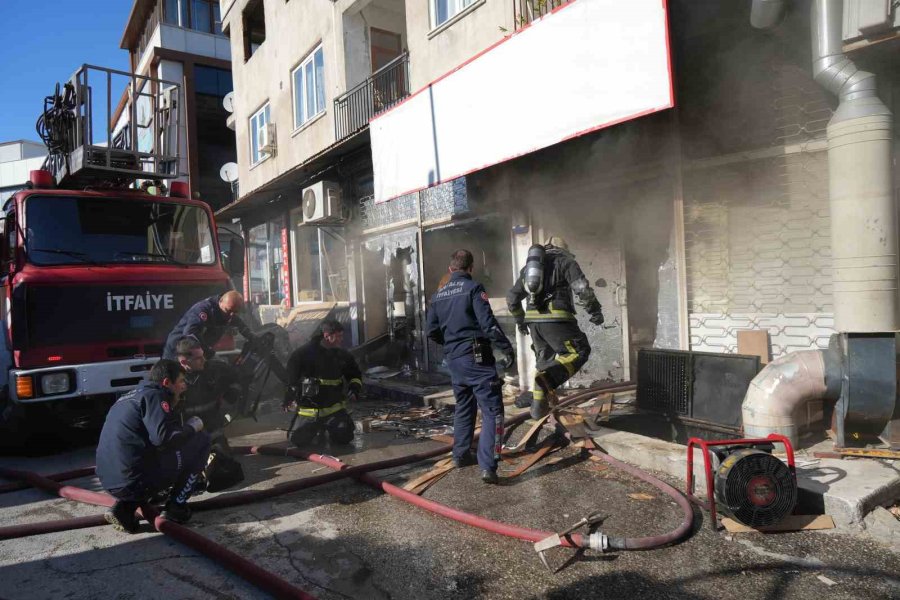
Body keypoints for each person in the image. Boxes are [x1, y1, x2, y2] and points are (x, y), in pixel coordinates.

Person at [426, 249, 515, 484]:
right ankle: (488, 467)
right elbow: (488, 324)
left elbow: (431, 331)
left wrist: (451, 345)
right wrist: (506, 349)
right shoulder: (474, 288)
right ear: (471, 268)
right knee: (492, 411)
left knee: (464, 407)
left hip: (454, 360)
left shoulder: (438, 295)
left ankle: (460, 455)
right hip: (476, 357)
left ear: (450, 269)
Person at [96, 359, 211, 532]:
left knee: (144, 461)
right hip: (134, 481)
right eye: (180, 381)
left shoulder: (128, 397)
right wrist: (192, 427)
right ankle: (176, 506)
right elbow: (165, 439)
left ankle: (124, 509)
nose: (184, 386)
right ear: (166, 382)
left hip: (110, 481)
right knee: (201, 439)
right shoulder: (155, 396)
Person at [507, 236, 604, 419]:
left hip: (534, 324)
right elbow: (581, 288)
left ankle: (538, 410)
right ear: (563, 250)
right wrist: (595, 311)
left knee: (544, 362)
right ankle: (548, 381)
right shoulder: (565, 262)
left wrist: (520, 321)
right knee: (579, 351)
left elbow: (512, 298)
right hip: (558, 320)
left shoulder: (528, 270)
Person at [283, 319, 363, 447]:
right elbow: (291, 379)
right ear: (327, 336)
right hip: (310, 411)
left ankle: (331, 428)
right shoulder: (303, 354)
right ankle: (314, 429)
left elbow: (355, 375)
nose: (341, 340)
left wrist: (354, 388)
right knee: (298, 440)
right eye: (339, 336)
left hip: (334, 410)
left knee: (344, 436)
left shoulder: (343, 355)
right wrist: (289, 396)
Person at [163, 291, 255, 360]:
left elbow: (240, 324)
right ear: (220, 301)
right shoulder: (203, 309)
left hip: (197, 352)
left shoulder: (228, 311)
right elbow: (190, 332)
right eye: (229, 311)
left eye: (235, 312)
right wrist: (208, 352)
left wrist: (253, 338)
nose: (231, 315)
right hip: (178, 349)